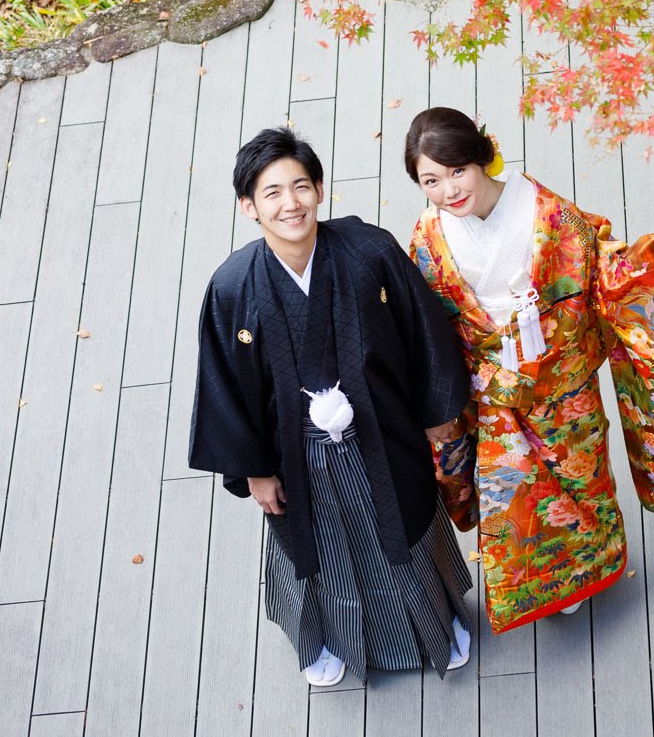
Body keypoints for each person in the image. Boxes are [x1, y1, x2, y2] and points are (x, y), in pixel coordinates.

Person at [405, 106, 654, 635]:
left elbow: (599, 262)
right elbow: (423, 318)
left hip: (564, 386)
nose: (448, 190)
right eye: (431, 180)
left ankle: (590, 571)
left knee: (580, 484)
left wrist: (641, 262)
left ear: (480, 158)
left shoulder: (545, 213)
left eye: (456, 171)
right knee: (510, 496)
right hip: (495, 394)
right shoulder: (428, 237)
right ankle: (535, 584)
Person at [189, 126, 473, 688]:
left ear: (320, 188)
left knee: (404, 528)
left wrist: (439, 412)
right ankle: (324, 637)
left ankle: (434, 627)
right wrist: (255, 471)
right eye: (271, 193)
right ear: (248, 206)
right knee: (318, 551)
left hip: (384, 433)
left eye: (300, 185)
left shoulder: (369, 251)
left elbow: (420, 329)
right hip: (294, 454)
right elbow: (222, 383)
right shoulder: (232, 286)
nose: (290, 203)